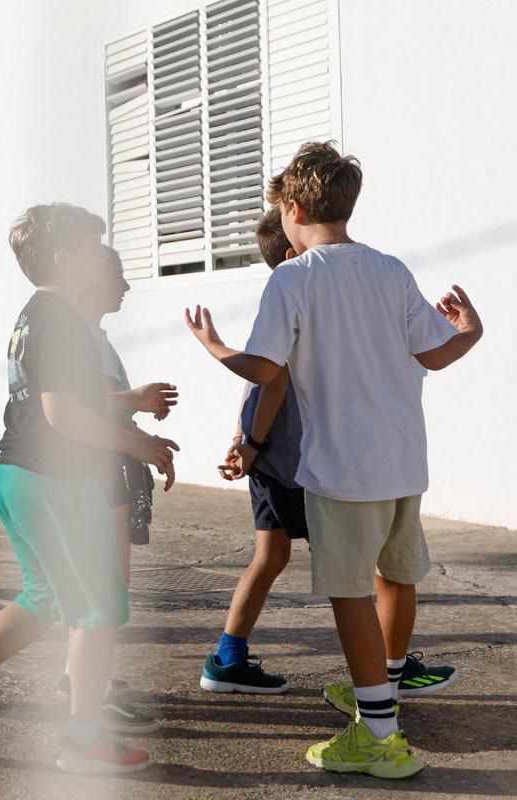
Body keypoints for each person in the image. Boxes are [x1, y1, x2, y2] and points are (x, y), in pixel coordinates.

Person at [184, 142, 483, 779]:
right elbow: (434, 355)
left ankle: (377, 734)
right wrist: (470, 333)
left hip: (343, 468)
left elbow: (266, 370)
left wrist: (214, 348)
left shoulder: (294, 276)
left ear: (294, 208)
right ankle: (384, 692)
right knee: (396, 579)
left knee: (349, 593)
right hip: (405, 463)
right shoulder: (391, 269)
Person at [0, 205, 177, 775]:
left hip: (19, 477)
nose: (101, 257)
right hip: (55, 479)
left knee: (47, 599)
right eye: (91, 246)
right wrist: (140, 446)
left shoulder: (35, 315)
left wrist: (129, 411)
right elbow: (64, 415)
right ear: (65, 258)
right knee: (97, 609)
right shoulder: (60, 320)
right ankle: (84, 743)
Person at [204, 207, 460, 701]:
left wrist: (243, 440)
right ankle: (386, 679)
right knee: (366, 576)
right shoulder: (311, 283)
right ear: (291, 248)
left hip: (273, 456)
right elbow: (271, 379)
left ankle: (228, 657)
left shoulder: (304, 287)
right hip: (308, 459)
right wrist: (250, 441)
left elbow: (263, 379)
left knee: (272, 556)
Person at [54, 245, 178, 734]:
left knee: (100, 585)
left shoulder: (88, 336)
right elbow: (81, 407)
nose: (126, 287)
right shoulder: (80, 338)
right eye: (118, 278)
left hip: (101, 466)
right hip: (95, 468)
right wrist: (137, 410)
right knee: (107, 587)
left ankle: (82, 679)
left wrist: (144, 435)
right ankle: (95, 696)